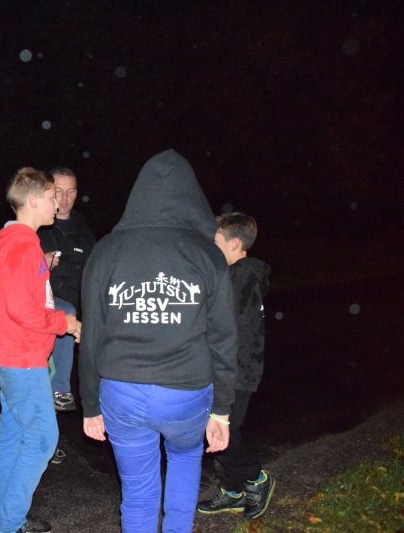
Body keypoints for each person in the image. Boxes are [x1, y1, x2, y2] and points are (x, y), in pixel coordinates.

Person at [79, 149, 237, 533]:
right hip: (186, 392)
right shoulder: (207, 254)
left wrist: (90, 405)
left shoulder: (106, 250)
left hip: (122, 391)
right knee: (184, 460)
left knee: (137, 491)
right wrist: (221, 411)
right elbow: (224, 338)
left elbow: (91, 335)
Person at [0, 167, 82, 533]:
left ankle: (6, 519)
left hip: (15, 355)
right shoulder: (23, 245)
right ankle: (8, 524)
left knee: (14, 435)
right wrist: (64, 322)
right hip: (23, 358)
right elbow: (22, 309)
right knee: (43, 439)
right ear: (32, 200)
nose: (57, 203)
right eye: (50, 196)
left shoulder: (22, 242)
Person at [197, 212, 275, 519]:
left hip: (237, 369)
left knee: (223, 431)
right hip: (234, 367)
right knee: (219, 430)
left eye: (216, 241)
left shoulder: (240, 276)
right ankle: (232, 490)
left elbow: (226, 326)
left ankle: (256, 478)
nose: (211, 246)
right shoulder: (239, 275)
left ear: (234, 243)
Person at [38, 166, 96, 414]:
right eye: (58, 191)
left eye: (70, 191)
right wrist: (41, 261)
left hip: (79, 305)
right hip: (46, 305)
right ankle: (59, 389)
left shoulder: (84, 229)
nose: (64, 198)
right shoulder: (38, 225)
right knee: (66, 313)